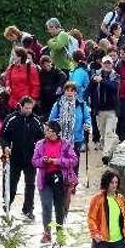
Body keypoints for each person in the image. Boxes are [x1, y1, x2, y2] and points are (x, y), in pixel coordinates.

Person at [32, 120, 77, 243]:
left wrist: (57, 161)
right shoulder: (40, 144)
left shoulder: (65, 144)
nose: (47, 133)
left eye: (50, 131)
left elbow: (73, 160)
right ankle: (47, 232)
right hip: (45, 179)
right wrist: (43, 160)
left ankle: (59, 232)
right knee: (46, 205)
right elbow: (34, 161)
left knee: (60, 206)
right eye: (46, 130)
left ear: (56, 132)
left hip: (61, 180)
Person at [0, 96, 44, 220]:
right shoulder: (11, 118)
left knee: (30, 184)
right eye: (26, 108)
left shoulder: (36, 120)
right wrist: (6, 146)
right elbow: (3, 135)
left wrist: (38, 148)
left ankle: (28, 209)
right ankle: (7, 202)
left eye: (30, 108)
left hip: (31, 158)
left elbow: (41, 137)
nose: (28, 110)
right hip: (14, 157)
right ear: (20, 106)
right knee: (11, 182)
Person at [48, 81, 91, 210]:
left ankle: (72, 183)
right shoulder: (58, 104)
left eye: (72, 90)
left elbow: (87, 118)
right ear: (64, 91)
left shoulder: (81, 104)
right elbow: (51, 119)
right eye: (67, 90)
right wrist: (59, 122)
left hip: (76, 138)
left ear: (75, 92)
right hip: (61, 138)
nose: (69, 92)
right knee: (61, 161)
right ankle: (62, 181)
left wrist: (87, 125)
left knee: (74, 161)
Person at [87, 56, 119, 162]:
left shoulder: (115, 76)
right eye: (105, 63)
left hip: (112, 110)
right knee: (103, 134)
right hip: (99, 111)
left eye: (109, 63)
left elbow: (114, 88)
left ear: (112, 65)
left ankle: (106, 155)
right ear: (102, 64)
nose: (107, 65)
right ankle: (108, 148)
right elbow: (89, 89)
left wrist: (102, 81)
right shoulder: (95, 75)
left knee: (109, 132)